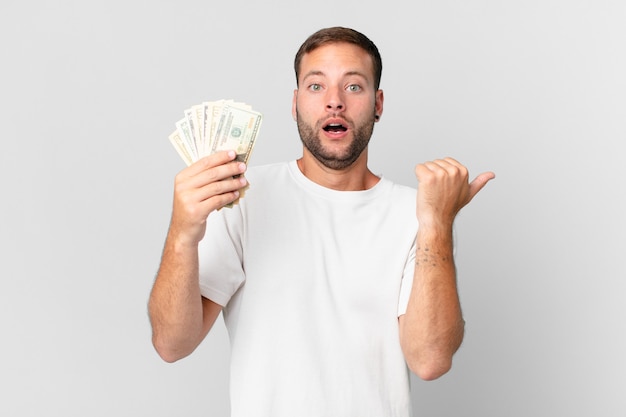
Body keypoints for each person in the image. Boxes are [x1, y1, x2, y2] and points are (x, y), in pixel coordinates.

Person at [148, 26, 495, 416]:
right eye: (316, 87)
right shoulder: (241, 196)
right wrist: (183, 234)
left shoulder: (415, 213)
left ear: (378, 104)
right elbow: (172, 344)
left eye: (353, 87)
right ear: (295, 103)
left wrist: (437, 224)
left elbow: (430, 360)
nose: (334, 103)